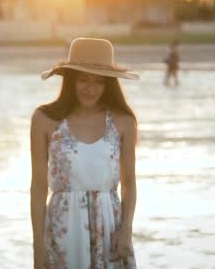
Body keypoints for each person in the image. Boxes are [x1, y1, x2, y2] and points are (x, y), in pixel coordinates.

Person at [30, 38, 138, 268]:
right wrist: (38, 247)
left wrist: (126, 230)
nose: (90, 88)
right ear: (70, 80)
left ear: (109, 83)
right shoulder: (45, 120)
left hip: (110, 228)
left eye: (99, 82)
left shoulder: (124, 121)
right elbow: (38, 188)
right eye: (83, 79)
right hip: (62, 229)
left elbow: (129, 183)